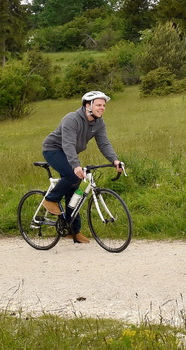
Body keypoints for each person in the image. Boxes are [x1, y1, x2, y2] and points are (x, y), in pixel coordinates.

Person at [41, 91, 123, 243]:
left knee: (74, 192)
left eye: (104, 105)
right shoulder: (71, 119)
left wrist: (115, 160)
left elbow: (104, 143)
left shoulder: (99, 123)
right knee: (72, 175)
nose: (102, 108)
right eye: (99, 105)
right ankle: (50, 200)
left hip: (69, 153)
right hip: (53, 150)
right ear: (88, 105)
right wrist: (75, 165)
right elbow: (68, 144)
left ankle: (73, 231)